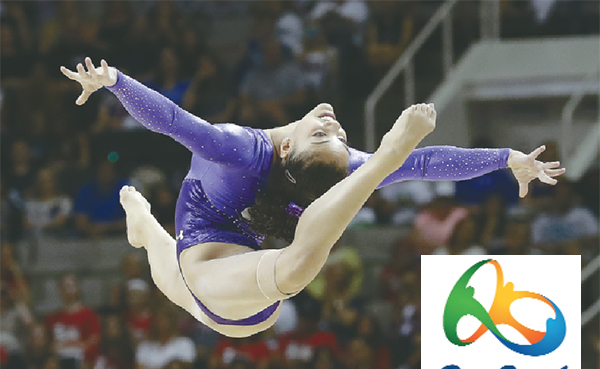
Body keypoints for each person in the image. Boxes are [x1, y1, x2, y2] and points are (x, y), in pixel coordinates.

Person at [61, 57, 564, 338]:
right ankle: (144, 225)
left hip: (221, 283)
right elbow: (428, 163)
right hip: (221, 276)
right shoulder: (269, 156)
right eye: (339, 139)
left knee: (260, 270)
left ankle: (149, 231)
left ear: (288, 147)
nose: (335, 127)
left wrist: (116, 83)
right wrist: (506, 157)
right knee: (157, 252)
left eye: (328, 137)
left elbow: (171, 121)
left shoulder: (248, 151)